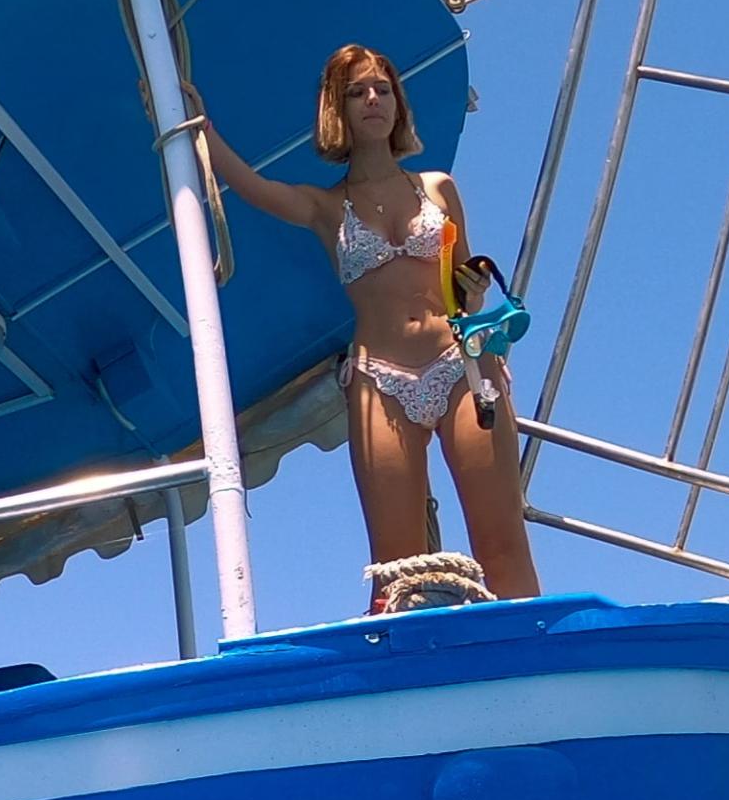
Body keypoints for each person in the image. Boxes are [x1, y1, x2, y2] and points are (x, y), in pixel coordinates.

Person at [200, 44, 541, 607]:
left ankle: (532, 645)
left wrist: (474, 286)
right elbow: (250, 186)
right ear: (338, 110)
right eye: (357, 92)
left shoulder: (438, 188)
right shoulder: (324, 207)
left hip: (459, 365)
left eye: (383, 88)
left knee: (501, 544)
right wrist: (199, 126)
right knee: (396, 569)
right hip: (379, 379)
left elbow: (461, 285)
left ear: (399, 103)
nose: (373, 99)